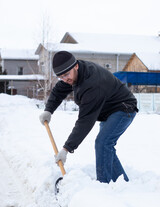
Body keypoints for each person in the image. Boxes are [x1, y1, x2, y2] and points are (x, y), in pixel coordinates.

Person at [39, 51, 138, 183]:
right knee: (106, 147)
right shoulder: (72, 74)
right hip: (107, 110)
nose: (65, 79)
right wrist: (48, 110)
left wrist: (66, 149)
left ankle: (103, 186)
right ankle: (122, 183)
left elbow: (85, 121)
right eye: (61, 77)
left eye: (66, 75)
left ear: (76, 66)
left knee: (103, 143)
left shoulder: (92, 83)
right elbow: (58, 91)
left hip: (124, 108)